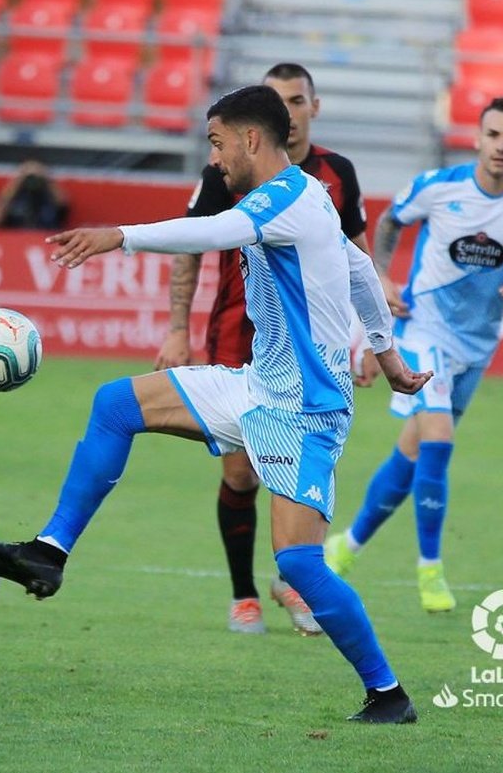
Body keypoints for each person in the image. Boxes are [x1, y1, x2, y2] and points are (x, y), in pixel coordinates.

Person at [0, 85, 433, 723]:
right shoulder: (311, 195)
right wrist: (387, 354)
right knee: (116, 404)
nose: (213, 159)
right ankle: (50, 552)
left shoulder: (285, 198)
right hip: (254, 386)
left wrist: (118, 236)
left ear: (249, 138)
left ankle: (388, 694)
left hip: (306, 411)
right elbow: (358, 271)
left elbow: (216, 231)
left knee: (298, 562)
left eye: (217, 143)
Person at [324, 97, 503, 613]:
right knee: (438, 436)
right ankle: (431, 570)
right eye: (494, 135)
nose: (501, 146)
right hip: (424, 328)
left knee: (413, 453)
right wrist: (384, 276)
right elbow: (389, 223)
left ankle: (346, 548)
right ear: (478, 138)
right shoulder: (439, 186)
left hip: (477, 347)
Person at [154, 62, 376, 637]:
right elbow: (191, 245)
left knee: (300, 470)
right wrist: (178, 327)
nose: (291, 111)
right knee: (240, 472)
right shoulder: (225, 169)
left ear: (312, 108)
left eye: (298, 100)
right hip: (237, 331)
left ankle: (293, 576)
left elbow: (357, 257)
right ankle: (244, 593)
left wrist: (372, 340)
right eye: (279, 101)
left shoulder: (335, 175)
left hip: (308, 352)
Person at [0, 159, 69, 230]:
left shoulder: (50, 195)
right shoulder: (13, 196)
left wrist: (45, 177)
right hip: (15, 241)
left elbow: (62, 203)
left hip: (46, 240)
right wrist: (19, 179)